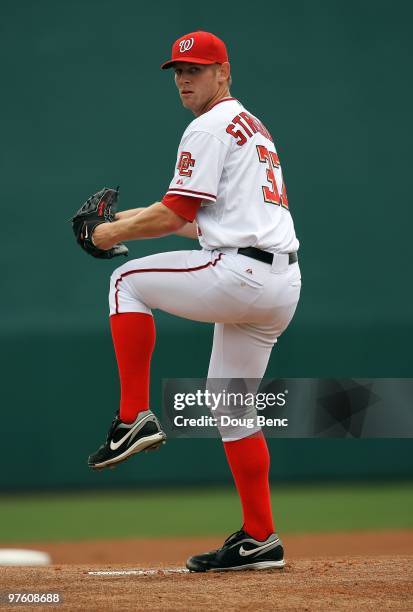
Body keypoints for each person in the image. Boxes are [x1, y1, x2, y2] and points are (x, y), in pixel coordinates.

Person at [88, 30, 301, 572]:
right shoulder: (250, 126)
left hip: (242, 273)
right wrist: (120, 222)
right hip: (279, 283)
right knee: (231, 406)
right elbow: (197, 219)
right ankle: (260, 538)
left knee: (125, 282)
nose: (185, 79)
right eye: (179, 71)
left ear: (224, 72)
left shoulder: (206, 127)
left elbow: (175, 212)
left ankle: (132, 418)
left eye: (197, 70)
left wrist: (107, 237)